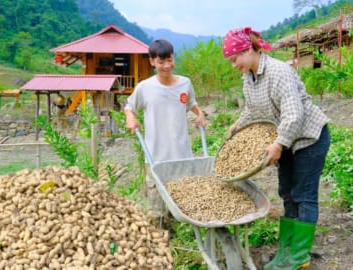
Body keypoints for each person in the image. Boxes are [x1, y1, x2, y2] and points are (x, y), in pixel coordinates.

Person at [222, 27, 331, 270]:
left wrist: (278, 144)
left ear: (249, 50)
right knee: (287, 192)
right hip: (286, 140)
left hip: (308, 138)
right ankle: (286, 250)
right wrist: (238, 123)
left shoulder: (278, 72)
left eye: (235, 59)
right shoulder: (248, 77)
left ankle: (299, 255)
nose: (233, 65)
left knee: (304, 194)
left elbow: (294, 115)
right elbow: (253, 108)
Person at [124, 39, 206, 214]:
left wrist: (199, 114)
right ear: (152, 61)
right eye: (161, 62)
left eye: (170, 60)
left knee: (185, 205)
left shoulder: (185, 83)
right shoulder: (145, 87)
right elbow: (129, 107)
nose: (167, 66)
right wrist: (130, 118)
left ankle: (184, 232)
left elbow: (191, 102)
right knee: (157, 210)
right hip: (156, 157)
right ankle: (159, 233)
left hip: (182, 155)